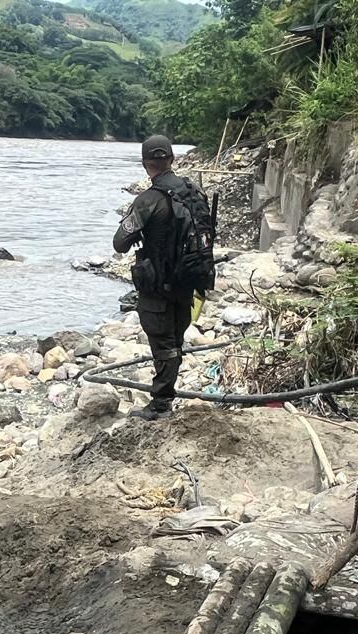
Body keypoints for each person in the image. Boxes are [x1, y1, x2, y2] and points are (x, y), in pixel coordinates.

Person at [113, 134, 195, 421]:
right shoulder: (193, 192)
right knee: (175, 340)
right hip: (189, 281)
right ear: (172, 159)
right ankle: (165, 396)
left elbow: (120, 243)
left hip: (158, 284)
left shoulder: (148, 200)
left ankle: (161, 404)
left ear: (145, 164)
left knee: (163, 344)